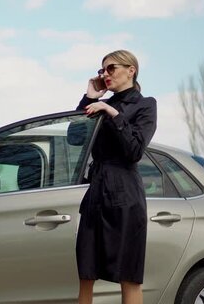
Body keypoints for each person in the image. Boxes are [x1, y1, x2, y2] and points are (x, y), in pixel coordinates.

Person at [75, 50, 157, 304]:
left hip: (125, 196)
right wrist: (88, 97)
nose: (105, 75)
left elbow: (133, 151)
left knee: (129, 277)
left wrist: (112, 113)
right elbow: (75, 138)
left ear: (131, 70)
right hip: (96, 192)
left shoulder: (145, 105)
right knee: (86, 273)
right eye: (102, 71)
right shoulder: (99, 104)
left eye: (111, 69)